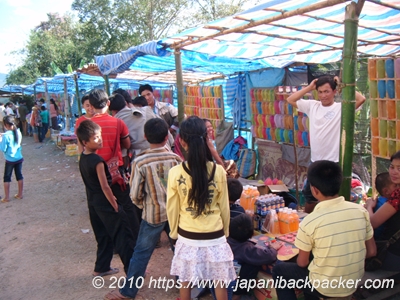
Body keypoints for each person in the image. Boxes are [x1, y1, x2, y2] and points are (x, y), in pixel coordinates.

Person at [273, 161, 376, 300]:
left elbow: (302, 263)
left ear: (314, 190)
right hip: (352, 282)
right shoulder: (361, 211)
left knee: (279, 269)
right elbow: (371, 252)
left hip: (325, 287)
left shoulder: (310, 221)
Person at [104, 118, 182, 300]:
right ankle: (183, 283)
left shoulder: (140, 161)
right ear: (167, 136)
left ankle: (128, 291)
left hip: (152, 214)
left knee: (141, 253)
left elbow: (135, 194)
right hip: (175, 214)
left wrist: (143, 206)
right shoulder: (176, 159)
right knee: (180, 249)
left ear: (145, 136)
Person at [166, 116, 236, 300]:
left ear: (182, 141)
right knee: (220, 282)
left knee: (185, 282)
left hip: (187, 236)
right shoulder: (218, 171)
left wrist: (174, 233)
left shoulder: (175, 172)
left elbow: (172, 208)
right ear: (206, 139)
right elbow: (224, 208)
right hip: (215, 236)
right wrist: (225, 232)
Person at [287, 75, 366, 212]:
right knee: (310, 195)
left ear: (335, 92)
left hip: (334, 162)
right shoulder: (312, 106)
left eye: (327, 91)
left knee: (333, 197)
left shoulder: (342, 108)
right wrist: (309, 88)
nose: (323, 95)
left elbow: (361, 99)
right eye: (320, 92)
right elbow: (290, 99)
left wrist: (342, 84)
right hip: (315, 161)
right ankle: (308, 219)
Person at [75, 89, 142, 248]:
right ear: (109, 103)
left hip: (91, 173)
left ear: (90, 106)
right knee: (125, 207)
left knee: (99, 212)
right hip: (114, 173)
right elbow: (127, 144)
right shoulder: (118, 122)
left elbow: (80, 151)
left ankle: (109, 248)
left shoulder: (83, 124)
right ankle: (136, 240)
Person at [76, 119, 134, 277]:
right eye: (95, 138)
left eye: (99, 136)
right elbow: (105, 186)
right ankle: (133, 271)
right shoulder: (98, 161)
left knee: (103, 235)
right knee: (122, 235)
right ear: (84, 142)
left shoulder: (83, 158)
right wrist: (114, 203)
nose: (100, 139)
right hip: (105, 202)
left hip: (93, 203)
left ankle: (101, 267)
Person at [227, 214, 280, 298]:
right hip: (234, 285)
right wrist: (273, 248)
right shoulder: (246, 249)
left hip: (220, 281)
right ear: (251, 234)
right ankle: (237, 295)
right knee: (252, 264)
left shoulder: (226, 241)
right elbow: (269, 256)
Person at [365, 151, 400, 271]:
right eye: (392, 167)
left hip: (393, 256)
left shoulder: (398, 194)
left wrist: (370, 206)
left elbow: (373, 223)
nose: (394, 172)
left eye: (399, 168)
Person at [0, 116, 24, 202]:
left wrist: (0, 140)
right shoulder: (18, 132)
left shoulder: (6, 136)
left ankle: (7, 197)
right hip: (19, 157)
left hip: (10, 160)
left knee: (7, 178)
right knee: (19, 176)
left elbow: (3, 148)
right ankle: (20, 194)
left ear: (6, 124)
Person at [372, 172, 397, 239]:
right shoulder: (385, 203)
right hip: (381, 239)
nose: (398, 187)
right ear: (386, 191)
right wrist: (369, 206)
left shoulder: (380, 200)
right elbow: (372, 223)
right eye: (395, 186)